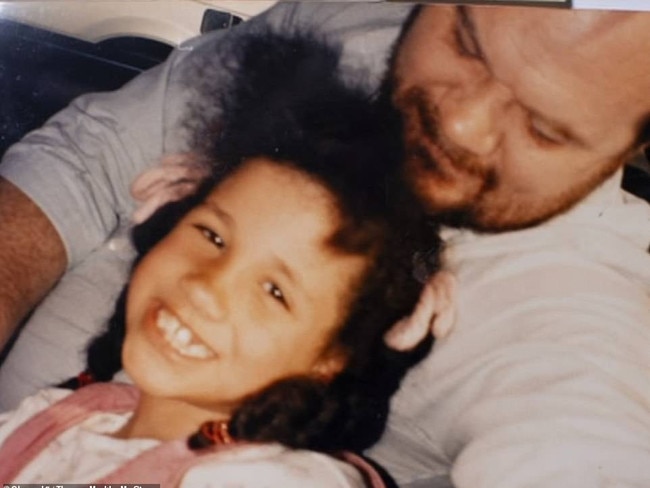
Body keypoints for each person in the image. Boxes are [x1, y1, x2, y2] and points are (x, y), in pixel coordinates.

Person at [1, 3, 649, 487]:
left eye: (542, 127)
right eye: (467, 44)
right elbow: (86, 156)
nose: (460, 121)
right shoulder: (354, 23)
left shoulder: (584, 327)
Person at [0, 31, 442, 486]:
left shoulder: (278, 478)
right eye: (212, 235)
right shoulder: (62, 416)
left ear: (332, 360)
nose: (204, 284)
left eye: (274, 291)